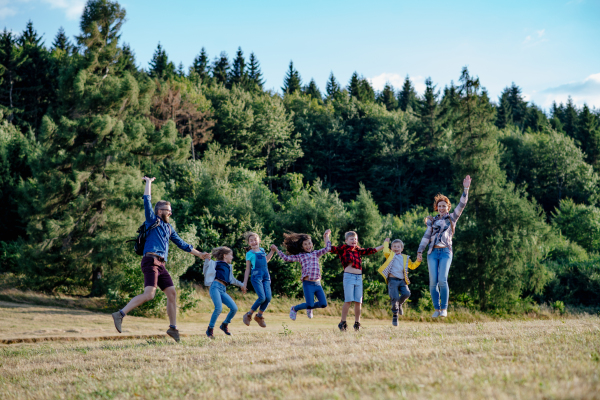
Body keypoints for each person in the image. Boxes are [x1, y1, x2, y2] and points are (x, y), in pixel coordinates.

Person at [111, 176, 209, 342]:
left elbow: (183, 244)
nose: (170, 212)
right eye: (167, 209)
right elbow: (146, 201)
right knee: (149, 294)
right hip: (150, 260)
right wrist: (148, 183)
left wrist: (199, 254)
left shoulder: (169, 228)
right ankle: (120, 314)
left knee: (172, 293)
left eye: (170, 210)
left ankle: (172, 328)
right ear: (159, 211)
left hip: (161, 264)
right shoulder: (152, 220)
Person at [417, 175, 471, 318]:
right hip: (432, 253)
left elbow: (462, 204)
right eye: (439, 206)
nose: (441, 208)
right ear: (437, 208)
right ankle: (437, 309)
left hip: (446, 252)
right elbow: (426, 237)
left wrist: (466, 188)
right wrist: (420, 251)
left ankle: (444, 309)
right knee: (433, 282)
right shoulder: (432, 221)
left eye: (444, 206)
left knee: (442, 279)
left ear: (448, 207)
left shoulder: (452, 217)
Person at [330, 232, 386, 332]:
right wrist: (326, 237)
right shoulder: (343, 249)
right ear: (346, 241)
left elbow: (371, 250)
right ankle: (342, 322)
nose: (354, 241)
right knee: (348, 300)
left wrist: (383, 245)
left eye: (355, 239)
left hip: (358, 278)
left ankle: (357, 323)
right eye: (351, 239)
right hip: (349, 277)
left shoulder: (358, 250)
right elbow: (330, 248)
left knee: (358, 301)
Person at [271, 229, 332, 321]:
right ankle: (294, 308)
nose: (308, 246)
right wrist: (277, 250)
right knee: (310, 304)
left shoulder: (316, 253)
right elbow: (286, 258)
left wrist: (326, 236)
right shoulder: (300, 256)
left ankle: (309, 308)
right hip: (308, 284)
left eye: (309, 243)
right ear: (302, 246)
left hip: (317, 284)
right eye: (305, 244)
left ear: (312, 244)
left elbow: (328, 248)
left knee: (323, 304)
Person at [203, 246, 246, 338]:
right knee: (218, 308)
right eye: (231, 255)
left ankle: (224, 324)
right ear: (225, 255)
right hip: (215, 287)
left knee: (234, 308)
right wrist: (207, 260)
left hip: (223, 289)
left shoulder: (229, 267)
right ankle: (210, 329)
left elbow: (233, 280)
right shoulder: (215, 263)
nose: (232, 257)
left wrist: (242, 285)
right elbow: (205, 271)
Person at [378, 239, 421, 326]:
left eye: (398, 247)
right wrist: (386, 243)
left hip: (402, 280)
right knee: (394, 298)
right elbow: (385, 250)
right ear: (391, 248)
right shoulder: (390, 254)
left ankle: (399, 304)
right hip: (392, 280)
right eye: (394, 246)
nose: (396, 248)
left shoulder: (405, 257)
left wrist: (418, 261)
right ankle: (395, 315)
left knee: (407, 293)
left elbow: (412, 266)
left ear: (402, 249)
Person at [241, 232, 275, 328]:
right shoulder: (249, 254)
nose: (254, 242)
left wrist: (272, 251)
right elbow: (247, 269)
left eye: (255, 239)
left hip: (266, 277)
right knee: (262, 297)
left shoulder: (263, 250)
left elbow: (266, 260)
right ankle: (248, 314)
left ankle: (259, 316)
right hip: (256, 277)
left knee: (268, 297)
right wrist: (244, 283)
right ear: (249, 243)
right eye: (251, 240)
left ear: (259, 240)